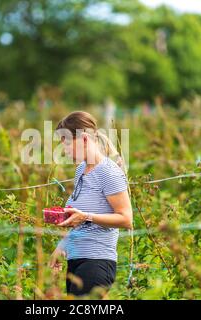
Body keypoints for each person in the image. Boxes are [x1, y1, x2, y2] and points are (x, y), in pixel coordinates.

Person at [48, 111, 133, 297]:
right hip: (76, 260)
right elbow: (78, 217)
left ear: (85, 139)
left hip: (96, 262)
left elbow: (126, 219)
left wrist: (86, 216)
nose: (65, 149)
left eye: (68, 143)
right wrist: (62, 246)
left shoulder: (109, 172)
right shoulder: (81, 170)